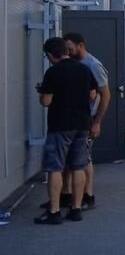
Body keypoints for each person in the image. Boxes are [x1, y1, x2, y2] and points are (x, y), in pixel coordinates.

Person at [35, 37, 97, 224]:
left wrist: (41, 92)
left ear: (51, 55)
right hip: (82, 123)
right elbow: (93, 95)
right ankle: (76, 209)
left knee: (55, 167)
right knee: (78, 166)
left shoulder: (53, 72)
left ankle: (54, 212)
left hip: (60, 125)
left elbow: (46, 101)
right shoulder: (84, 69)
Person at [64, 32, 109, 210]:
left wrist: (97, 122)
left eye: (70, 47)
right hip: (74, 116)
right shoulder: (73, 63)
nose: (67, 51)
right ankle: (67, 194)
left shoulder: (93, 65)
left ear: (80, 45)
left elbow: (105, 95)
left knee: (84, 159)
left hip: (88, 117)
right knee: (71, 158)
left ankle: (88, 195)